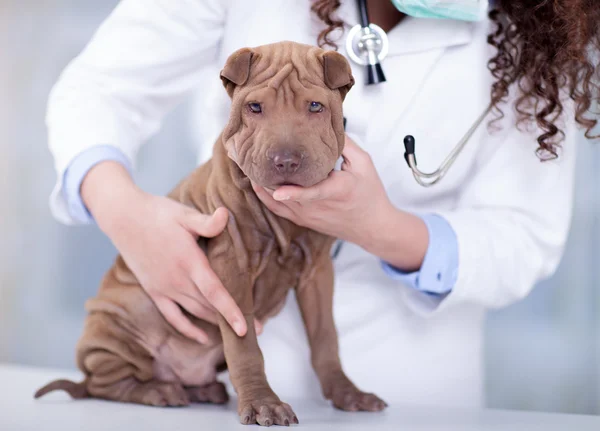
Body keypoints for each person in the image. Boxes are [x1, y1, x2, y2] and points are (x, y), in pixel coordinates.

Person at [46, 0, 599, 408]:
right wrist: (127, 215)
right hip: (210, 386)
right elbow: (97, 89)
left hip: (413, 385)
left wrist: (383, 229)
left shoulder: (531, 32)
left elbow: (528, 236)